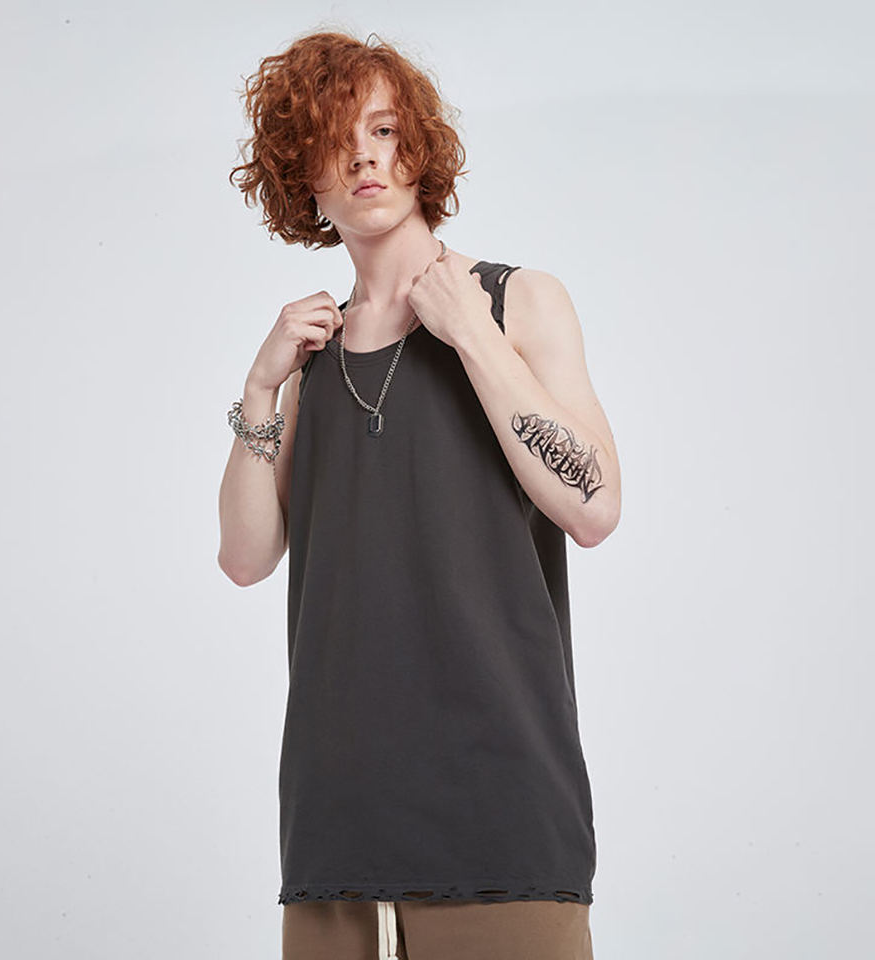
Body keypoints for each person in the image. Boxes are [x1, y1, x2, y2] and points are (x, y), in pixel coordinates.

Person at [218, 28, 621, 960]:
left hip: (504, 821)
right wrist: (260, 389)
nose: (364, 156)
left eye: (384, 130)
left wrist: (471, 335)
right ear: (302, 179)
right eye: (333, 140)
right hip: (336, 829)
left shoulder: (518, 302)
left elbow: (594, 505)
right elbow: (244, 558)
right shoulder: (309, 363)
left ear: (418, 147)